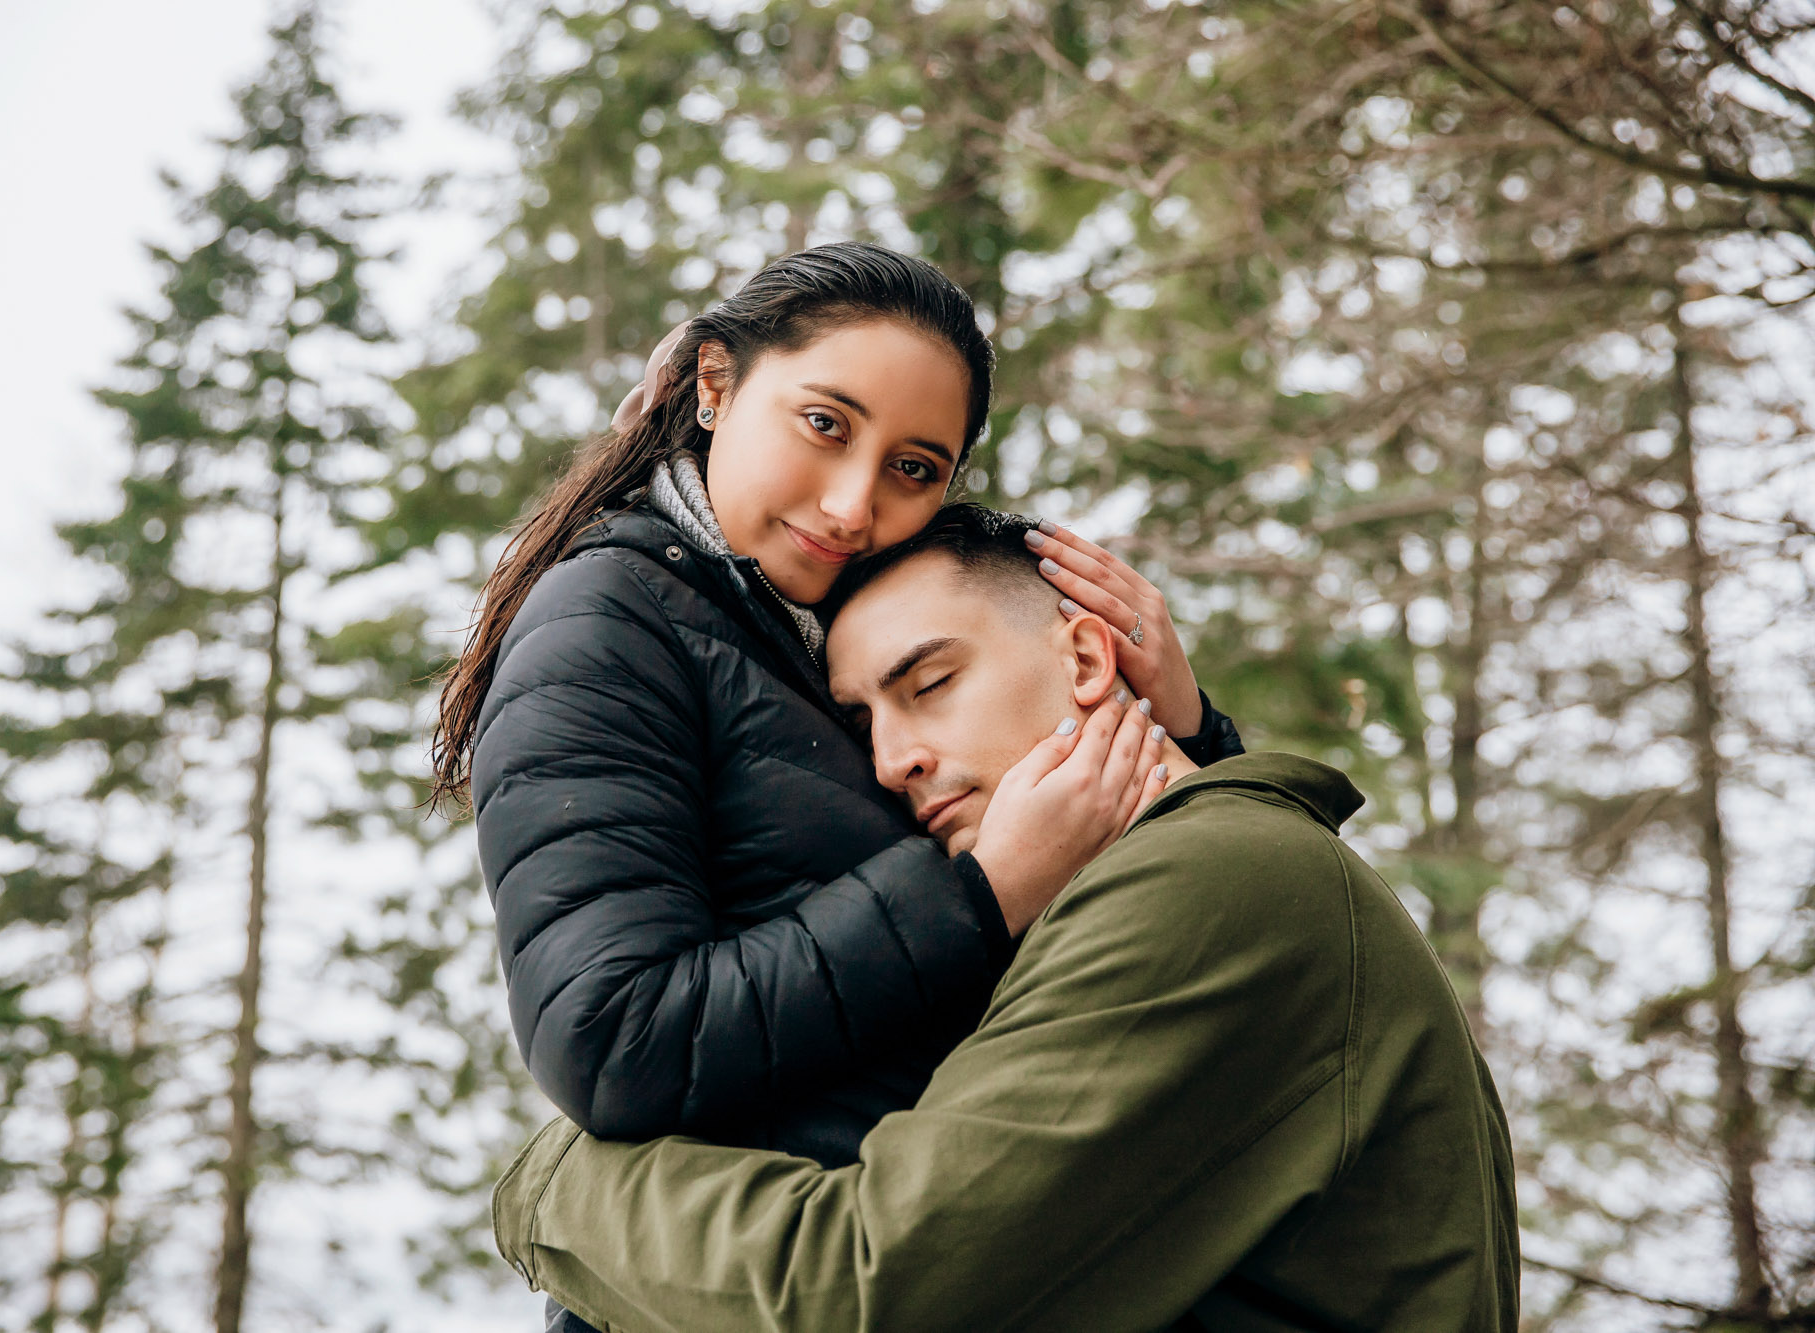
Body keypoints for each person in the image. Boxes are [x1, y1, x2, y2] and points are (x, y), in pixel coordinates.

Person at [428, 245, 1248, 1333]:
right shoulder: (607, 623)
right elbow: (609, 1037)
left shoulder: (818, 635)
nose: (853, 502)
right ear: (713, 387)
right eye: (824, 424)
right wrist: (977, 891)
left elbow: (1184, 937)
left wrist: (1181, 726)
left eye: (914, 467)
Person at [491, 504, 1521, 1333]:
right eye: (862, 727)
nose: (893, 759)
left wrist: (551, 1182)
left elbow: (863, 1293)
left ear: (1084, 659)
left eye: (928, 683)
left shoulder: (1215, 883)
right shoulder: (1224, 876)